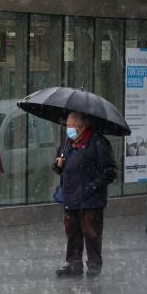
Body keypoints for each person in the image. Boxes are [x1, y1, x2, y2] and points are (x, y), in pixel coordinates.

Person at [52, 112, 118, 277]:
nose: (68, 129)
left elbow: (110, 172)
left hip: (91, 201)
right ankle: (74, 264)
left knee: (92, 234)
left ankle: (94, 266)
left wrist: (91, 187)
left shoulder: (98, 143)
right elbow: (58, 168)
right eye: (67, 126)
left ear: (81, 127)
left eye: (70, 126)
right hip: (70, 198)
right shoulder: (67, 143)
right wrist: (58, 165)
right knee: (72, 233)